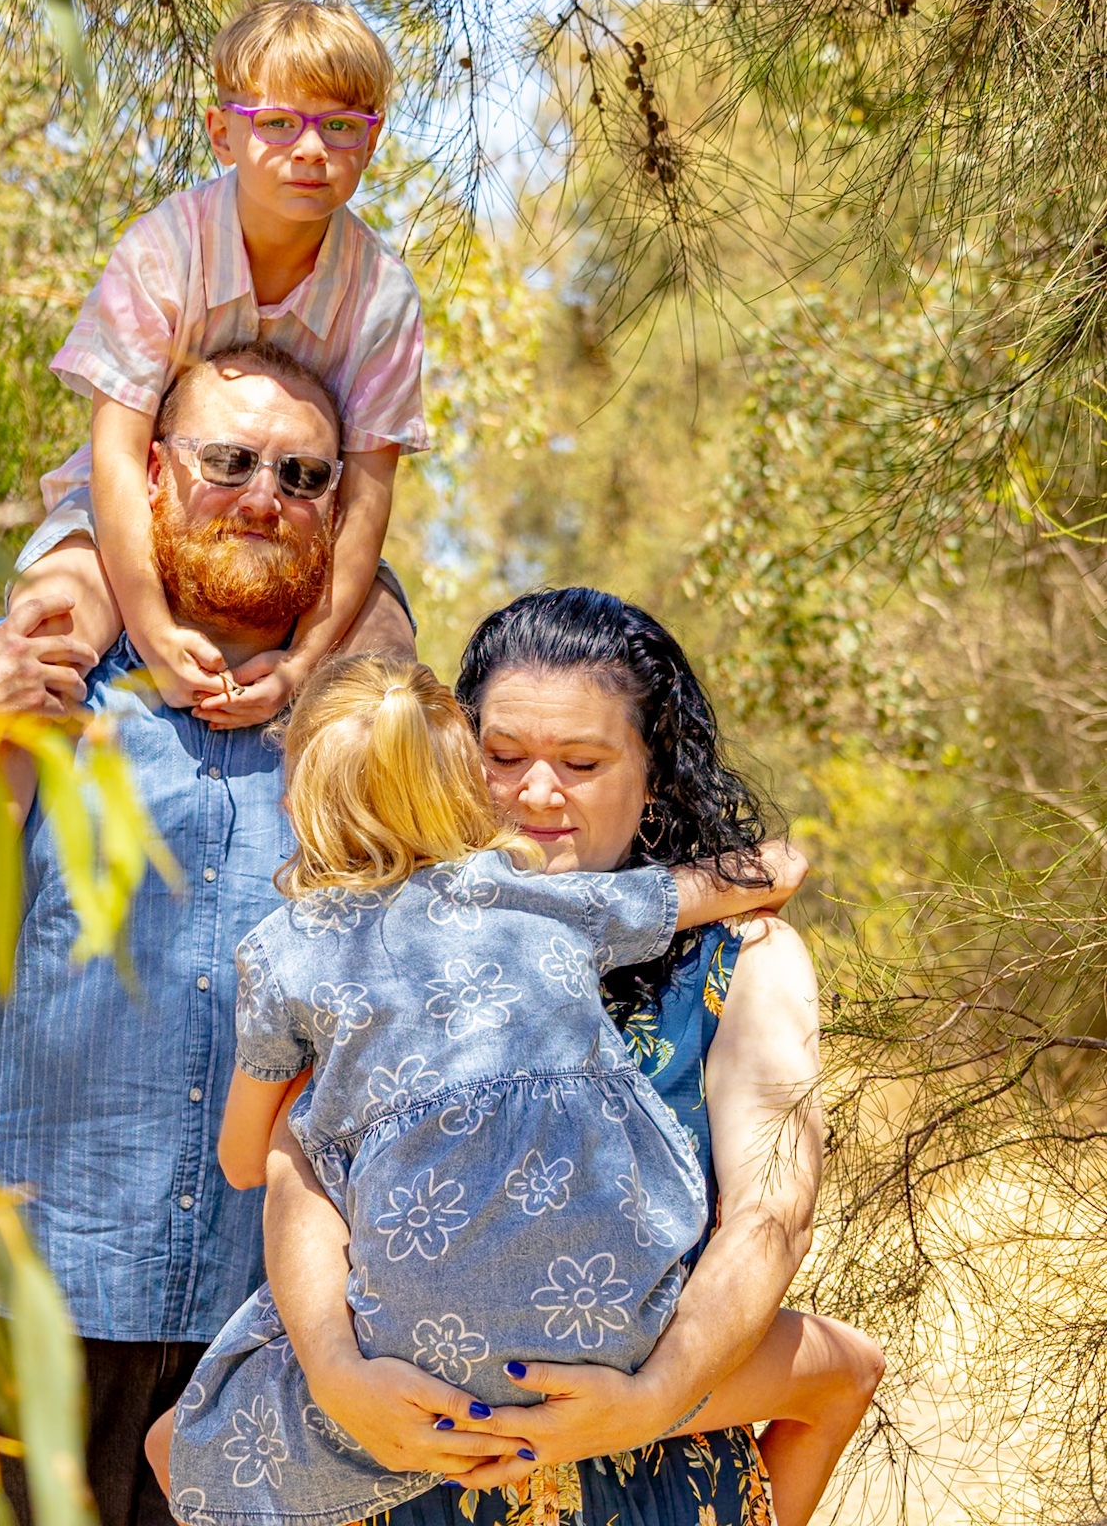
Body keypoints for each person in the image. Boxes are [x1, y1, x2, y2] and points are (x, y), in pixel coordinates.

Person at [0, 345, 414, 1526]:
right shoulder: (28, 674)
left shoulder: (375, 726)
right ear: (149, 472)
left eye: (302, 471)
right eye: (226, 460)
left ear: (343, 502)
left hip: (285, 1320)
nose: (262, 495)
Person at [158, 592, 883, 1526]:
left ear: (654, 778)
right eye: (502, 759)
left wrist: (650, 1401)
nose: (538, 794)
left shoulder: (743, 960)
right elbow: (297, 1166)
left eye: (582, 763)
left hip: (647, 1469)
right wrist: (337, 1376)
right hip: (405, 1456)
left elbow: (772, 1216)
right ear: (450, 763)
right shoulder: (380, 958)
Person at [0, 0, 425, 1048]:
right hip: (130, 505)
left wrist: (312, 653)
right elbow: (121, 454)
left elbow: (370, 492)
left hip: (296, 516)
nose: (309, 149)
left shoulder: (380, 293)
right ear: (224, 132)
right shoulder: (169, 247)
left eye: (340, 127)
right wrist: (146, 621)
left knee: (389, 677)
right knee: (38, 643)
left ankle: (370, 940)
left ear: (372, 142)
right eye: (278, 122)